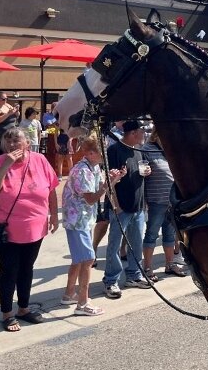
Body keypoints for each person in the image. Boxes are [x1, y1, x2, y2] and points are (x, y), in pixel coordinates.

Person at [0, 127, 59, 332]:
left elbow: (51, 189)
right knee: (9, 271)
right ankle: (7, 314)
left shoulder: (40, 160)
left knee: (27, 268)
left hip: (35, 225)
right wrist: (6, 165)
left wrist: (54, 215)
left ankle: (23, 309)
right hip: (7, 229)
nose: (12, 144)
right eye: (8, 141)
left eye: (17, 140)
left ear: (27, 143)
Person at [61, 136, 124, 316]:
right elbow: (90, 199)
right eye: (101, 151)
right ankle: (82, 303)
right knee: (88, 259)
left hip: (83, 219)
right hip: (77, 220)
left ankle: (68, 294)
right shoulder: (82, 170)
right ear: (90, 153)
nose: (104, 155)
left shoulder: (93, 167)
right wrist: (106, 186)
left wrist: (112, 181)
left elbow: (98, 191)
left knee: (79, 258)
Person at [102, 120, 152, 298]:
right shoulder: (114, 150)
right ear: (132, 133)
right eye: (141, 131)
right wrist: (116, 204)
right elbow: (109, 180)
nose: (144, 135)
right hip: (121, 208)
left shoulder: (138, 150)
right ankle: (111, 280)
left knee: (136, 244)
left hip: (137, 207)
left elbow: (138, 173)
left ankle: (134, 275)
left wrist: (145, 174)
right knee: (114, 245)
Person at [141, 131, 186, 281]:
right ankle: (147, 267)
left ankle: (170, 264)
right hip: (156, 200)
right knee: (152, 234)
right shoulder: (146, 149)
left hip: (171, 200)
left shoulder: (170, 148)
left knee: (170, 234)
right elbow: (142, 171)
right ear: (156, 135)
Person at [0, 91, 20, 157]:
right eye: (3, 99)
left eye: (6, 98)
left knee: (9, 154)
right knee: (0, 155)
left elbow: (17, 115)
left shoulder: (7, 105)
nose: (5, 100)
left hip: (9, 135)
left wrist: (17, 111)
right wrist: (8, 114)